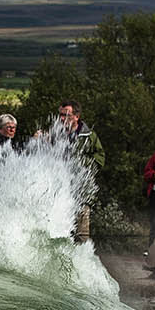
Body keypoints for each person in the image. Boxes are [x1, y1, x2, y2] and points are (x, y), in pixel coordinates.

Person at [54, 101, 104, 242]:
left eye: (66, 115)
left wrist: (79, 162)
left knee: (81, 234)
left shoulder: (89, 136)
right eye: (60, 115)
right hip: (59, 193)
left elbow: (100, 158)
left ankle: (80, 261)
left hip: (81, 191)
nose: (61, 118)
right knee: (61, 233)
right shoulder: (56, 133)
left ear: (76, 116)